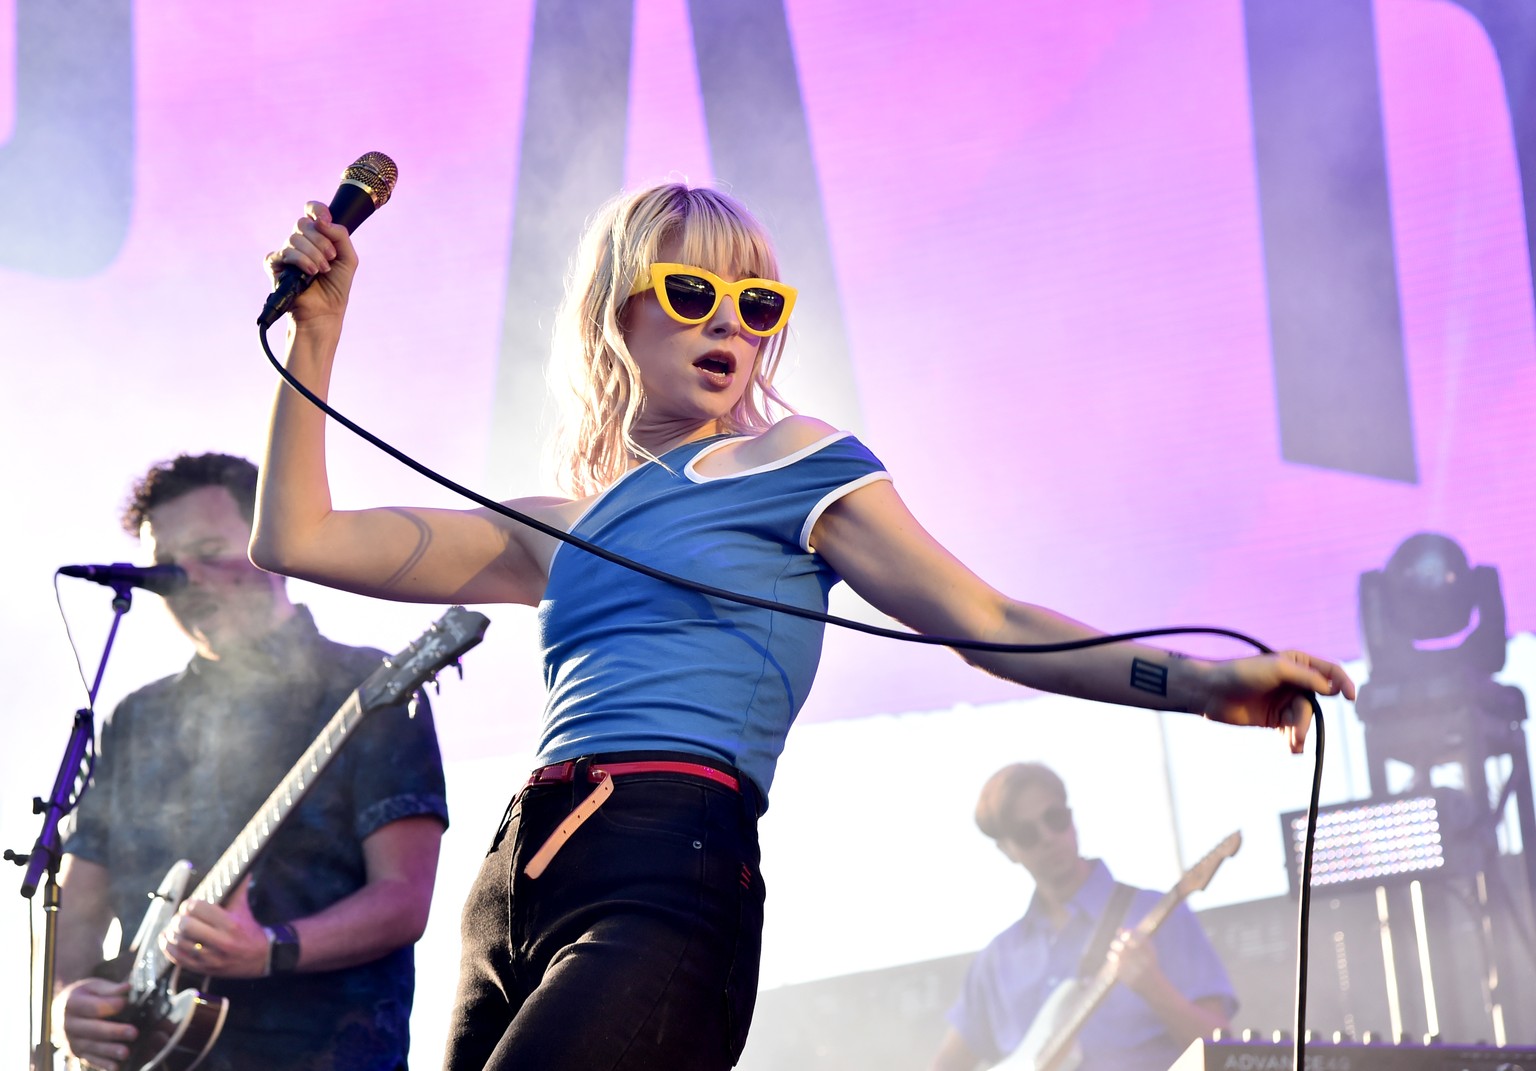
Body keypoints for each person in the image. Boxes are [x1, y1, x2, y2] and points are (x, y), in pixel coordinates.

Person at [251, 182, 1355, 1071]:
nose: (728, 323)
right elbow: (295, 539)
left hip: (665, 858)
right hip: (510, 884)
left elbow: (986, 619)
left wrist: (1205, 685)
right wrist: (321, 330)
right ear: (616, 307)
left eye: (757, 304)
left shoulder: (796, 463)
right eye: (690, 292)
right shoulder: (554, 524)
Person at [53, 452, 450, 1071]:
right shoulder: (138, 716)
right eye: (165, 565)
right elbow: (80, 896)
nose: (185, 577)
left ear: (272, 549)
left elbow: (403, 896)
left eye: (210, 549)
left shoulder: (363, 683)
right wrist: (67, 999)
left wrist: (271, 949)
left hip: (324, 1052)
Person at [930, 763, 1235, 1071]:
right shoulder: (996, 960)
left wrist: (1155, 989)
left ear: (1072, 818)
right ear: (1006, 850)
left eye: (1055, 819)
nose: (1048, 837)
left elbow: (1222, 1051)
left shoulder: (1157, 914)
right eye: (1026, 833)